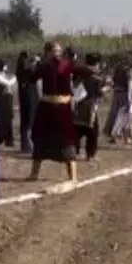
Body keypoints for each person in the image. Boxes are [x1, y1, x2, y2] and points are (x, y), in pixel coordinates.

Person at [27, 41, 83, 182]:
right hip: (47, 108)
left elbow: (81, 72)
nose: (57, 54)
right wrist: (33, 67)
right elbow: (31, 78)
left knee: (67, 140)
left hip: (61, 108)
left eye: (59, 51)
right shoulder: (45, 66)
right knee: (41, 140)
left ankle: (73, 176)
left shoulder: (62, 64)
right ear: (48, 52)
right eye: (55, 51)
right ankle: (34, 174)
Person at [73, 53, 106, 160]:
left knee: (78, 128)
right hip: (90, 106)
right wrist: (106, 89)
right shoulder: (95, 76)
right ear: (97, 63)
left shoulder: (79, 72)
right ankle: (90, 154)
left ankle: (74, 151)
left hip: (77, 104)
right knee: (92, 131)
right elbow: (99, 93)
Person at [104, 60, 132, 145]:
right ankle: (125, 138)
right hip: (125, 97)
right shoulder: (128, 73)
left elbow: (112, 84)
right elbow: (130, 89)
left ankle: (114, 137)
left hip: (117, 95)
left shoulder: (117, 71)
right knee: (126, 118)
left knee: (115, 116)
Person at [15, 51, 39, 153]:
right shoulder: (27, 74)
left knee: (26, 121)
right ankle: (28, 145)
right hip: (30, 100)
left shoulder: (21, 74)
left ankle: (26, 145)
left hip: (27, 100)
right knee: (29, 121)